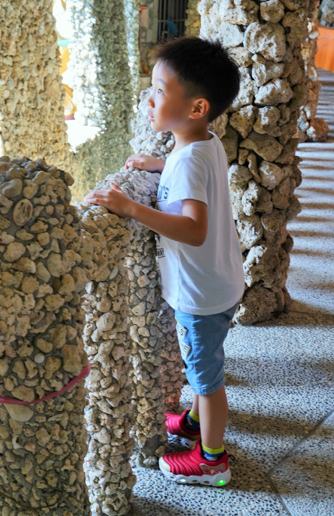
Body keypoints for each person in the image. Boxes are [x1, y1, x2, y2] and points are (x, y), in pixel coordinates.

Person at [84, 36, 244, 486]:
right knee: (203, 363)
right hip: (221, 282)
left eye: (159, 90)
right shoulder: (199, 144)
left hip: (201, 294)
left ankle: (213, 460)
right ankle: (194, 425)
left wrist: (132, 208)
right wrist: (160, 166)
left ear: (196, 108)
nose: (149, 98)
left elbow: (194, 228)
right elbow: (191, 173)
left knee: (206, 379)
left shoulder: (190, 158)